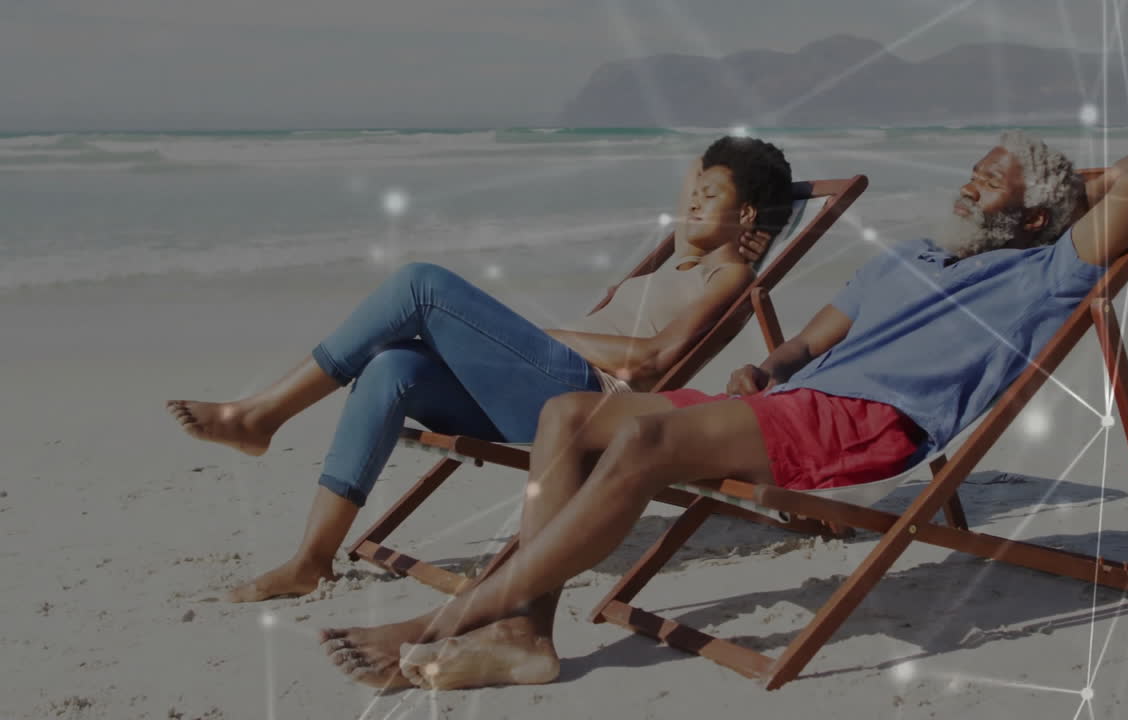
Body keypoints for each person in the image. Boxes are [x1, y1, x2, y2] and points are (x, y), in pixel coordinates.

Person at [318, 131, 1128, 691]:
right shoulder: (908, 257)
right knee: (567, 415)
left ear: (1033, 214)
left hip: (862, 423)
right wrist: (769, 362)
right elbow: (811, 338)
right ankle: (526, 634)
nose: (968, 186)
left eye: (991, 183)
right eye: (971, 170)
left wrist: (1063, 194)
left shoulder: (1044, 270)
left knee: (646, 436)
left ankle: (447, 619)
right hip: (797, 398)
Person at [165, 136, 794, 602]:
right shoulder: (678, 262)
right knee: (391, 366)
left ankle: (261, 414)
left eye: (709, 196)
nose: (690, 202)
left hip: (591, 402)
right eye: (692, 190)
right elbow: (698, 182)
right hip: (546, 388)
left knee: (421, 284)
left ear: (744, 218)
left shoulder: (729, 274)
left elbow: (650, 362)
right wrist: (714, 190)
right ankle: (311, 560)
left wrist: (536, 335)